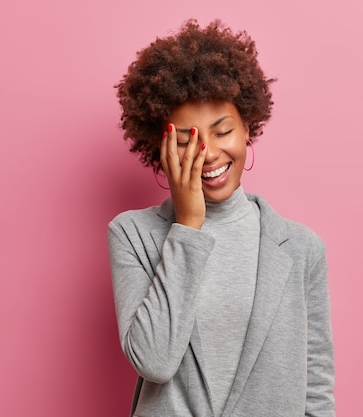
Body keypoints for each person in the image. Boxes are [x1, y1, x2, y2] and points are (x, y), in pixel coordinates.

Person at [109, 19, 335, 417]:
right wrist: (188, 226)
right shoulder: (133, 235)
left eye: (222, 130)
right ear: (160, 147)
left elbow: (315, 388)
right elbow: (155, 361)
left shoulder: (301, 249)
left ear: (248, 126)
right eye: (186, 141)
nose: (209, 153)